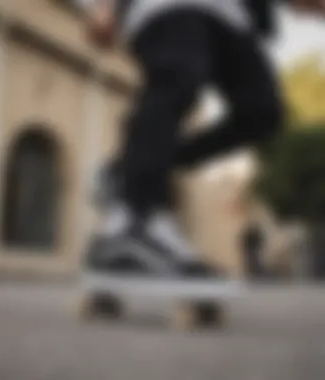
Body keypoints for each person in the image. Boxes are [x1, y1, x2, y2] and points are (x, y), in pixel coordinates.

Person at [78, 0, 325, 281]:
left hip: (230, 15)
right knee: (178, 74)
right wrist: (105, 7)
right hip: (165, 6)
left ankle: (128, 170)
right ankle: (135, 220)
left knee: (262, 111)